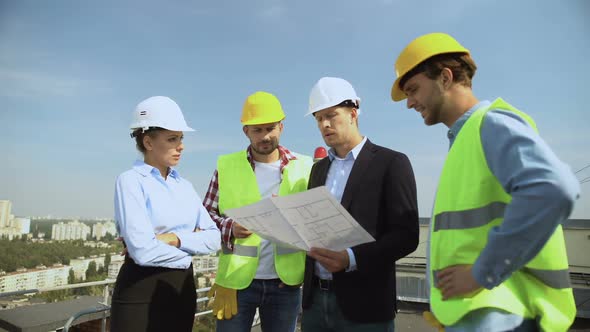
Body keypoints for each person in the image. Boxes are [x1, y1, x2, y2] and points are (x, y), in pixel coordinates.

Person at [390, 32, 580, 331]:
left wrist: (481, 273)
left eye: (413, 90)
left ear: (445, 78)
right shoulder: (466, 138)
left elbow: (554, 189)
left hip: (502, 315)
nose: (409, 103)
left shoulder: (490, 123)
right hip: (481, 314)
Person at [301, 77, 420, 331]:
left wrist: (351, 258)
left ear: (353, 113)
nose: (324, 124)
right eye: (318, 118)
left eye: (331, 115)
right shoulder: (318, 170)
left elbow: (407, 236)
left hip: (366, 307)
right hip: (315, 305)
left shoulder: (392, 163)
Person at [204, 91, 313, 332]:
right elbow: (204, 218)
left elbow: (315, 219)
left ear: (281, 127)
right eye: (257, 130)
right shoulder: (227, 166)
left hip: (286, 283)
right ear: (246, 131)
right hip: (236, 284)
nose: (265, 136)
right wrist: (230, 227)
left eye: (270, 128)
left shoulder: (305, 167)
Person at [110, 96, 221, 331]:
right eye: (172, 139)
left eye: (181, 138)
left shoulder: (185, 187)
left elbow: (214, 238)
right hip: (140, 292)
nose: (181, 145)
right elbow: (142, 251)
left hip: (181, 292)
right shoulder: (130, 182)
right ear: (148, 142)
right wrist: (190, 249)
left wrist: (174, 239)